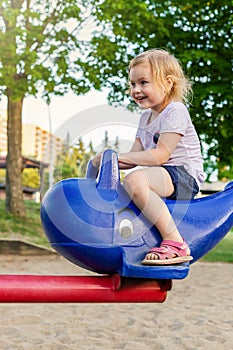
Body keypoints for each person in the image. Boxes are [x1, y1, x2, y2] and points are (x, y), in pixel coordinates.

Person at [92, 49, 205, 265]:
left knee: (135, 180)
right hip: (164, 174)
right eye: (133, 84)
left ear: (168, 82)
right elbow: (135, 156)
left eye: (144, 82)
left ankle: (175, 241)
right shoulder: (145, 118)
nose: (136, 90)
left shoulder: (175, 111)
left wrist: (120, 158)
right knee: (129, 183)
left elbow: (160, 155)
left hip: (185, 177)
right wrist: (109, 160)